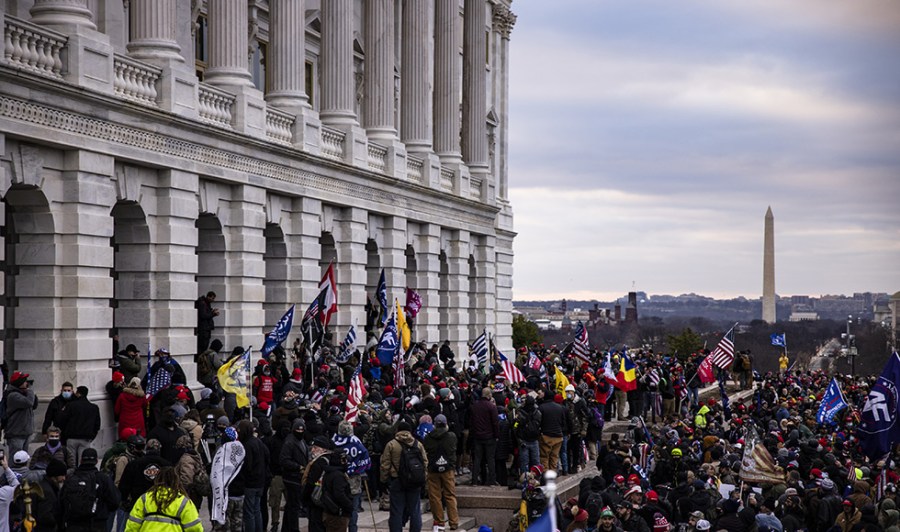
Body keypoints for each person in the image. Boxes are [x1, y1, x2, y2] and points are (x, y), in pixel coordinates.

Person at [381, 420, 428, 532]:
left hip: (397, 480)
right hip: (414, 481)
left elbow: (385, 465)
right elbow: (425, 462)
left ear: (398, 430)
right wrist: (423, 478)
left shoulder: (392, 444)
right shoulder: (418, 444)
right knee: (415, 511)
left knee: (396, 511)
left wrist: (383, 481)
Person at [125, 466, 204, 532]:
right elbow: (194, 528)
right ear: (176, 480)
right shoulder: (183, 501)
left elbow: (132, 525)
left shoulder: (145, 498)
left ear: (157, 479)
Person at [60, 448, 121, 532]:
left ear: (81, 460)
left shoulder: (71, 478)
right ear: (96, 461)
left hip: (74, 525)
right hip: (97, 525)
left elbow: (61, 503)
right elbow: (115, 502)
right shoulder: (103, 479)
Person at [424, 414, 459, 531]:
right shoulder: (451, 436)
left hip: (433, 469)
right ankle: (454, 522)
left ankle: (439, 522)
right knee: (450, 495)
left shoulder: (428, 437)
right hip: (448, 469)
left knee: (435, 496)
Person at [237, 419, 270, 532]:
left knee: (249, 512)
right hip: (260, 482)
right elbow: (266, 457)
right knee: (257, 510)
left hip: (250, 483)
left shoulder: (247, 445)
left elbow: (247, 466)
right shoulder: (258, 442)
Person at [211, 427, 246, 532]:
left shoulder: (220, 453)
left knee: (224, 525)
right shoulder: (242, 450)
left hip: (226, 495)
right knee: (238, 523)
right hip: (240, 494)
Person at [281, 419, 309, 532]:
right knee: (294, 506)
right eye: (298, 430)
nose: (300, 432)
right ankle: (293, 529)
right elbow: (284, 460)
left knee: (290, 506)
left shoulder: (302, 441)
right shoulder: (290, 442)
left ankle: (286, 528)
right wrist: (298, 467)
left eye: (302, 430)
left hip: (298, 478)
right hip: (292, 478)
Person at [61, 385, 102, 465]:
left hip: (71, 437)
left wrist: (64, 434)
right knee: (82, 461)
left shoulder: (70, 405)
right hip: (85, 438)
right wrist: (91, 436)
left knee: (71, 461)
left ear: (78, 394)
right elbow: (97, 424)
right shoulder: (93, 407)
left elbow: (63, 420)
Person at [470, 387, 499, 486]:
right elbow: (495, 423)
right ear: (489, 395)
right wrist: (496, 435)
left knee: (477, 459)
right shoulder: (491, 407)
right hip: (489, 436)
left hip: (477, 436)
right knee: (490, 459)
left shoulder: (475, 406)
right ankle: (492, 481)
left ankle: (474, 480)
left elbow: (472, 422)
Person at [5, 371, 38, 455]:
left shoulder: (23, 394)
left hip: (26, 432)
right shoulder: (13, 396)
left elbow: (34, 405)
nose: (27, 383)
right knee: (16, 458)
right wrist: (30, 391)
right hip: (16, 433)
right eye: (25, 381)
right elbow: (29, 403)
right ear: (19, 383)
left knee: (24, 458)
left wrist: (29, 392)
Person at [321, 450, 354, 532]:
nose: (346, 463)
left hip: (330, 512)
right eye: (344, 460)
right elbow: (339, 494)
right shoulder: (338, 476)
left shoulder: (329, 472)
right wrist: (349, 505)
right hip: (337, 514)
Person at [538, 393, 568, 471]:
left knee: (544, 457)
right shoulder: (560, 407)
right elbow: (563, 422)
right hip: (558, 436)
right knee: (554, 457)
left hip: (546, 436)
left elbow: (538, 422)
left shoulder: (541, 407)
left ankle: (546, 475)